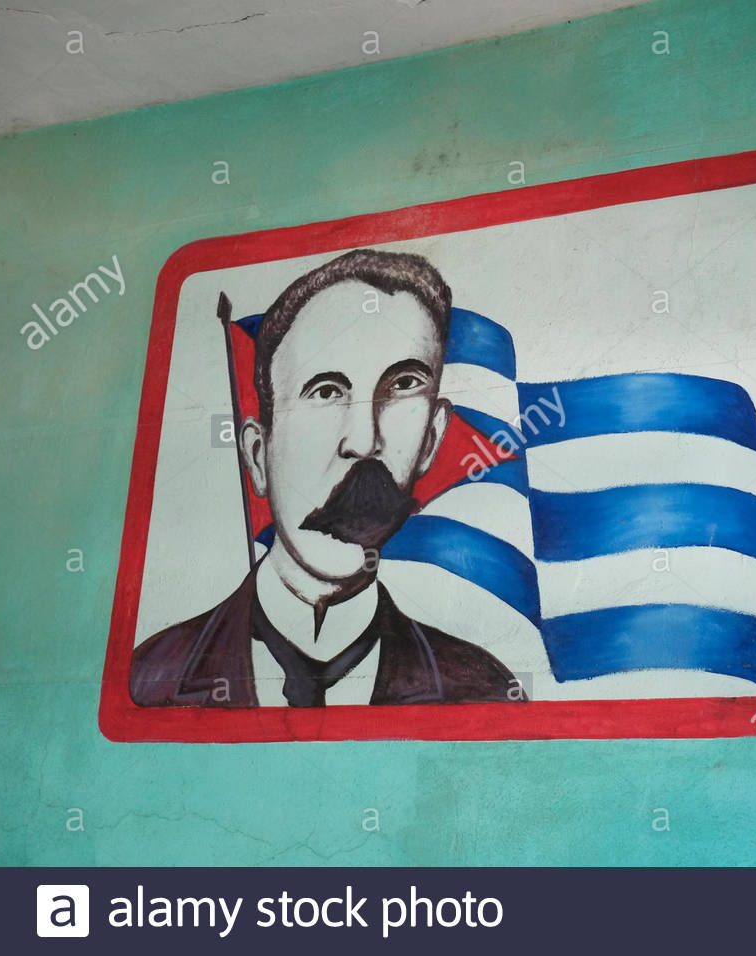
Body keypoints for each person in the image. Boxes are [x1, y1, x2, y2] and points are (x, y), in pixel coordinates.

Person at [131, 249, 524, 707]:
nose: (363, 440)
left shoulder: (483, 693)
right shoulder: (149, 680)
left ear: (431, 440)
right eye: (326, 391)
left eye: (402, 386)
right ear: (258, 456)